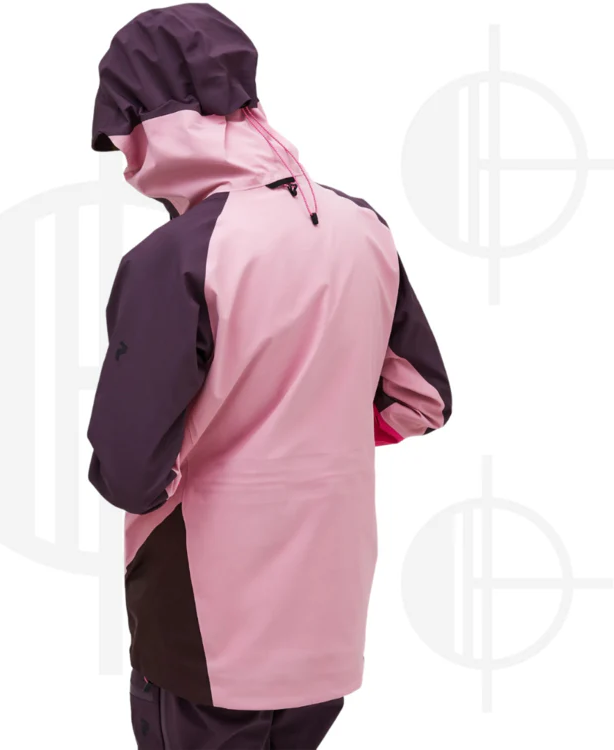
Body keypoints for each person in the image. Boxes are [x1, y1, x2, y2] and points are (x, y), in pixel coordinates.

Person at [87, 3, 452, 747]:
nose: (124, 163)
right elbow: (421, 398)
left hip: (208, 621)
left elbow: (128, 470)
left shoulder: (177, 255)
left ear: (142, 125)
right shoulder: (362, 226)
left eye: (121, 140)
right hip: (330, 610)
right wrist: (311, 425)